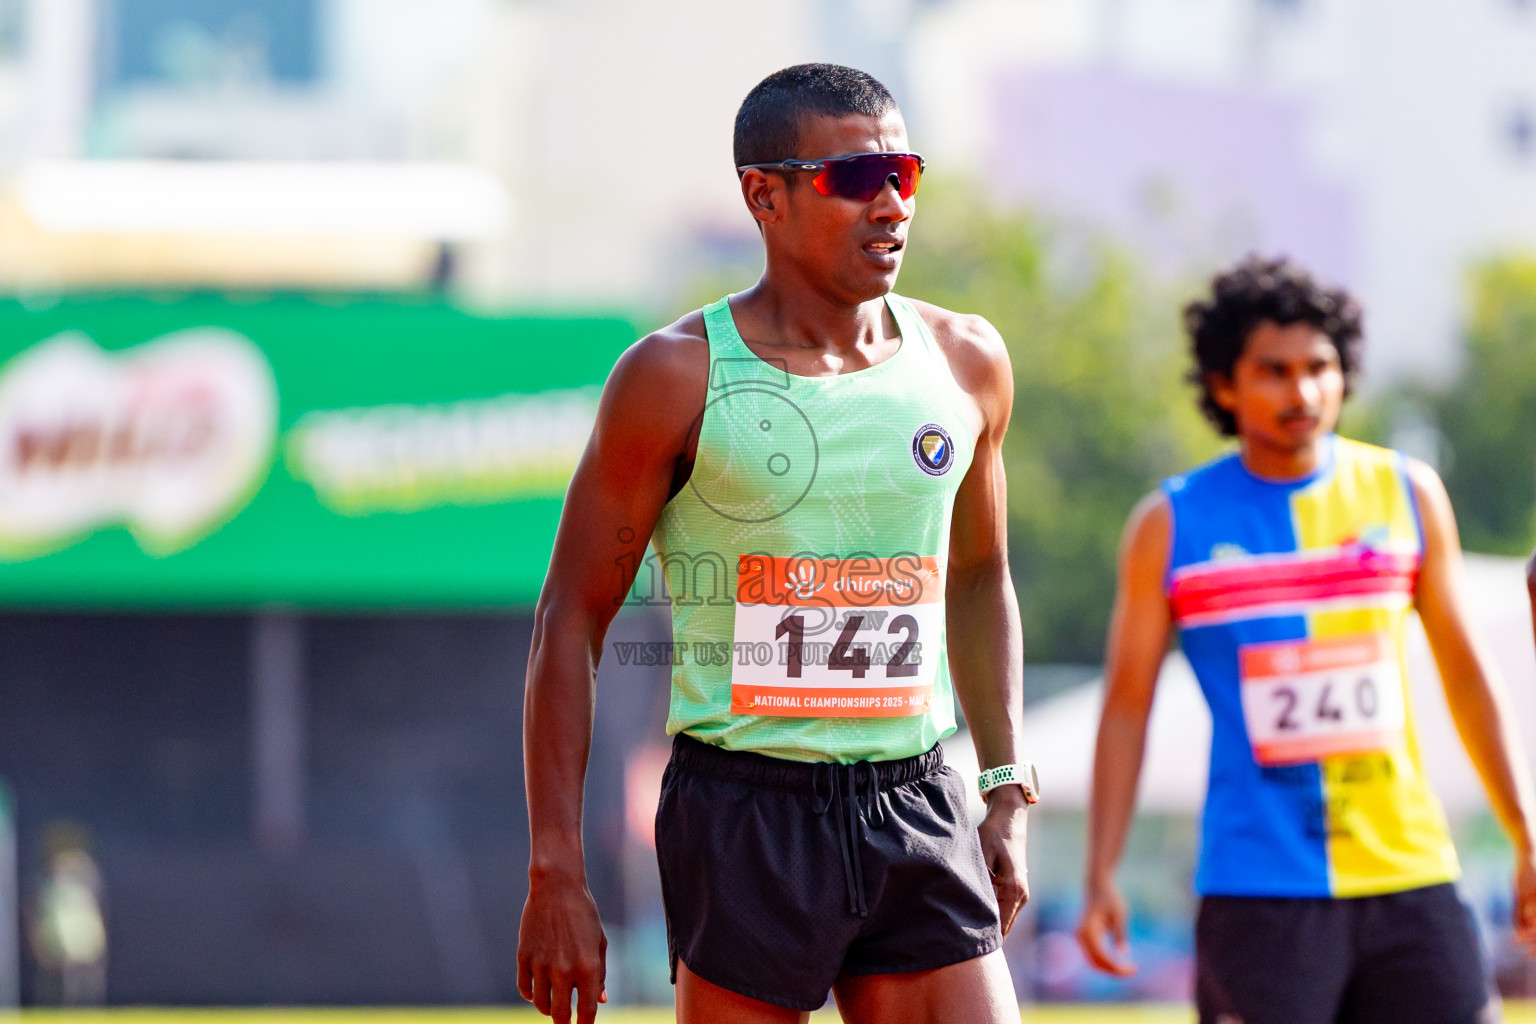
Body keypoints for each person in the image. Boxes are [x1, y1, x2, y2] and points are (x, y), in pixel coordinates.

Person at [516, 64, 1035, 1024]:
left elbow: (977, 577)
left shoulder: (965, 361)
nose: (890, 205)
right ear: (765, 194)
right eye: (854, 179)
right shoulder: (672, 377)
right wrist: (558, 870)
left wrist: (1003, 782)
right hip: (745, 810)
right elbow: (571, 621)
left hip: (915, 795)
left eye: (905, 174)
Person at [1076, 256, 1536, 1024]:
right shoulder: (1170, 524)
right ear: (1225, 385)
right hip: (1259, 892)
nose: (1304, 392)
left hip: (1411, 874)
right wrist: (1100, 874)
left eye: (1321, 367)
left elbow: (1465, 675)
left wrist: (1526, 833)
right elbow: (1126, 707)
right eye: (1275, 371)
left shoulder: (1408, 493)